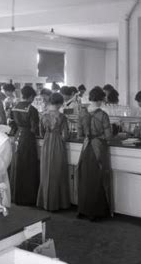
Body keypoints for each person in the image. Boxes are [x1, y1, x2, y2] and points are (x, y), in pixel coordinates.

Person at [77, 86, 112, 221]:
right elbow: (108, 136)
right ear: (101, 99)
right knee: (98, 179)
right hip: (98, 147)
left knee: (84, 179)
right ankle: (95, 212)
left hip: (86, 147)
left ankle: (83, 210)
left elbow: (80, 134)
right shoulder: (103, 115)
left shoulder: (82, 113)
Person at [37, 93, 71, 211]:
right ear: (60, 103)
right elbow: (65, 135)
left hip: (46, 143)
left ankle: (45, 201)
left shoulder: (43, 115)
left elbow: (41, 133)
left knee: (46, 172)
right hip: (57, 144)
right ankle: (59, 203)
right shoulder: (62, 117)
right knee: (58, 172)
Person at [10, 85, 40, 206]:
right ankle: (27, 197)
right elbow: (34, 128)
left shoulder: (14, 107)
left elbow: (11, 124)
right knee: (28, 165)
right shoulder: (32, 109)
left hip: (17, 136)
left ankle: (14, 194)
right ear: (31, 96)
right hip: (28, 138)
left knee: (17, 164)